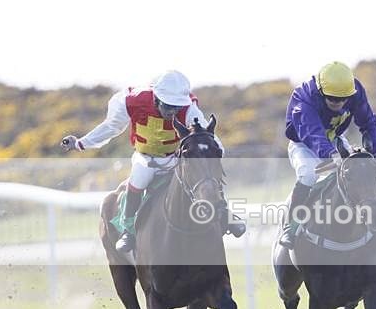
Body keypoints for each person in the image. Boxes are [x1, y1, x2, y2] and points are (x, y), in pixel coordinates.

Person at [61, 70, 245, 253]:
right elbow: (111, 127)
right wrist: (80, 143)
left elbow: (206, 135)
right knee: (138, 180)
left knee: (204, 175)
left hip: (175, 159)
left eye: (176, 107)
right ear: (156, 99)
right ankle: (128, 230)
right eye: (168, 106)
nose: (173, 112)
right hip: (146, 160)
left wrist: (214, 151)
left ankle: (223, 213)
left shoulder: (189, 109)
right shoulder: (132, 101)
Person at [280, 61, 376, 249]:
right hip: (304, 143)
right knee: (308, 175)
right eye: (333, 99)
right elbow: (312, 133)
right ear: (321, 92)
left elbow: (369, 122)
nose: (339, 103)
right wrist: (331, 154)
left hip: (335, 137)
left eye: (344, 99)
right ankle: (291, 225)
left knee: (364, 169)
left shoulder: (355, 90)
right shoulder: (304, 98)